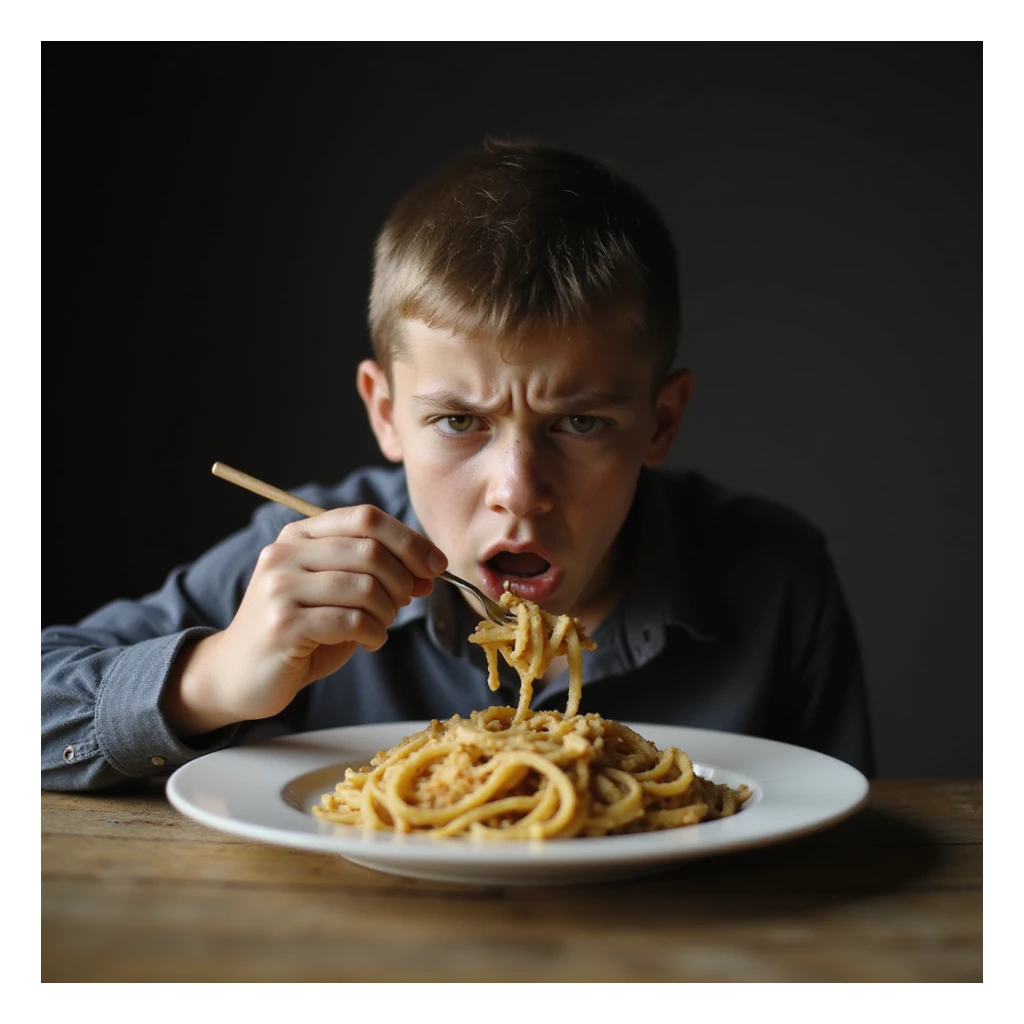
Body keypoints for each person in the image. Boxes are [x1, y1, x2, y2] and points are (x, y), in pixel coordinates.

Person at [41, 139, 875, 791]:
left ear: (660, 422)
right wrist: (213, 677)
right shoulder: (305, 557)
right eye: (457, 421)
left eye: (579, 422)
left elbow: (844, 852)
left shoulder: (775, 582)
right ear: (384, 412)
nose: (518, 493)